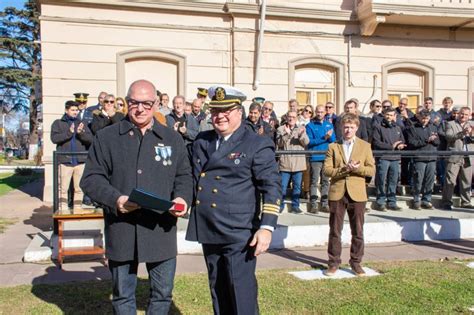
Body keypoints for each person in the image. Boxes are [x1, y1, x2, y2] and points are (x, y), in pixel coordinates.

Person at [80, 80, 193, 314]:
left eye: (146, 103)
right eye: (134, 103)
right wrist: (116, 200)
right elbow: (91, 179)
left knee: (162, 295)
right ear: (127, 102)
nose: (140, 108)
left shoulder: (172, 138)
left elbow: (184, 176)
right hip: (122, 227)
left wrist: (182, 198)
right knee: (122, 296)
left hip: (160, 227)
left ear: (155, 103)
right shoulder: (107, 137)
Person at [186, 86, 281, 315]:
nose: (220, 115)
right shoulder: (202, 141)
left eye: (226, 110)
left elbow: (271, 186)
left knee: (241, 293)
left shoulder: (255, 143)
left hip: (240, 231)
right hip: (208, 228)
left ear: (239, 112)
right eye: (216, 110)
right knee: (218, 290)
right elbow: (190, 178)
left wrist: (267, 227)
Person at [323, 113, 375, 277]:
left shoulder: (365, 146)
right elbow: (327, 170)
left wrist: (356, 169)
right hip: (338, 192)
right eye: (346, 127)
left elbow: (371, 170)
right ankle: (333, 263)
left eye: (351, 127)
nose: (348, 130)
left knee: (358, 231)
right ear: (341, 127)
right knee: (335, 231)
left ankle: (356, 262)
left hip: (357, 193)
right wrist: (345, 169)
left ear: (356, 128)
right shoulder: (333, 146)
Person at [51, 100, 93, 213]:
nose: (75, 112)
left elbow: (91, 140)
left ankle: (77, 208)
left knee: (79, 188)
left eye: (77, 110)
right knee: (63, 188)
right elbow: (54, 139)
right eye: (73, 110)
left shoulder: (82, 123)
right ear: (66, 110)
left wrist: (81, 133)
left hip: (80, 161)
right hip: (65, 161)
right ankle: (63, 209)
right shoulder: (58, 123)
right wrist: (69, 133)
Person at [372, 107, 406, 211]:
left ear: (395, 116)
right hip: (383, 157)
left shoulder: (397, 128)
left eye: (391, 115)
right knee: (381, 180)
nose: (389, 117)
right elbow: (376, 142)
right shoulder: (378, 127)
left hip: (395, 158)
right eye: (387, 115)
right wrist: (391, 146)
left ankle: (392, 201)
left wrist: (400, 145)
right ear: (384, 115)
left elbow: (402, 140)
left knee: (393, 180)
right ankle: (380, 201)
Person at [405, 109, 440, 210]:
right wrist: (427, 140)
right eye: (423, 118)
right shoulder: (413, 128)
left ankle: (426, 200)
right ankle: (416, 199)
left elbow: (438, 142)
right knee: (418, 179)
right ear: (419, 117)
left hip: (432, 157)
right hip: (419, 157)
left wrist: (434, 140)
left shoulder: (433, 127)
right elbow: (412, 142)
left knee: (429, 180)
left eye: (427, 118)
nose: (425, 120)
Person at [276, 109, 309, 214]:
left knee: (297, 187)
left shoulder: (301, 128)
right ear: (286, 117)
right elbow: (279, 143)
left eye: (293, 117)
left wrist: (301, 135)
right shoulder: (281, 129)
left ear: (296, 118)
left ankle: (295, 206)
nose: (291, 119)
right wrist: (286, 134)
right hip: (285, 163)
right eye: (289, 116)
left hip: (298, 163)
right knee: (282, 186)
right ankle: (280, 205)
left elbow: (306, 142)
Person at [441, 107, 474, 210]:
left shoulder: (472, 125)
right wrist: (462, 133)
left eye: (466, 114)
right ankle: (447, 202)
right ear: (458, 114)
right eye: (462, 114)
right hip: (454, 156)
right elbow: (449, 137)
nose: (463, 116)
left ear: (469, 116)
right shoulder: (450, 124)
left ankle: (466, 202)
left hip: (468, 157)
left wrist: (472, 135)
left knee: (466, 181)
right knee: (450, 181)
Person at [306, 104, 335, 213]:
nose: (320, 114)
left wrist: (329, 137)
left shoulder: (329, 124)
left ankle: (324, 203)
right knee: (314, 181)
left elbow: (333, 140)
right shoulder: (310, 126)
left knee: (325, 181)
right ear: (315, 112)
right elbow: (310, 142)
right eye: (318, 112)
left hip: (327, 157)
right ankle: (313, 204)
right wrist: (324, 138)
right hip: (315, 157)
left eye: (322, 112)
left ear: (325, 113)